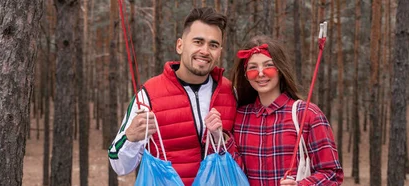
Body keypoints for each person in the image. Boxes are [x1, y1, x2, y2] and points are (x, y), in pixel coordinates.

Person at [107, 7, 238, 186]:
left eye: (213, 45)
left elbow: (243, 155)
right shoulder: (149, 94)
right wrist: (130, 138)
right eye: (198, 42)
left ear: (220, 52)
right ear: (180, 45)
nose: (205, 51)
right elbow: (119, 166)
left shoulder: (230, 92)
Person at [230, 35, 343, 186]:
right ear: (245, 75)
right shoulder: (239, 117)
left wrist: (301, 185)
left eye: (268, 65)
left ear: (280, 69)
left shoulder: (307, 114)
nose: (261, 73)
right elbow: (233, 171)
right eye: (252, 67)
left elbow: (332, 174)